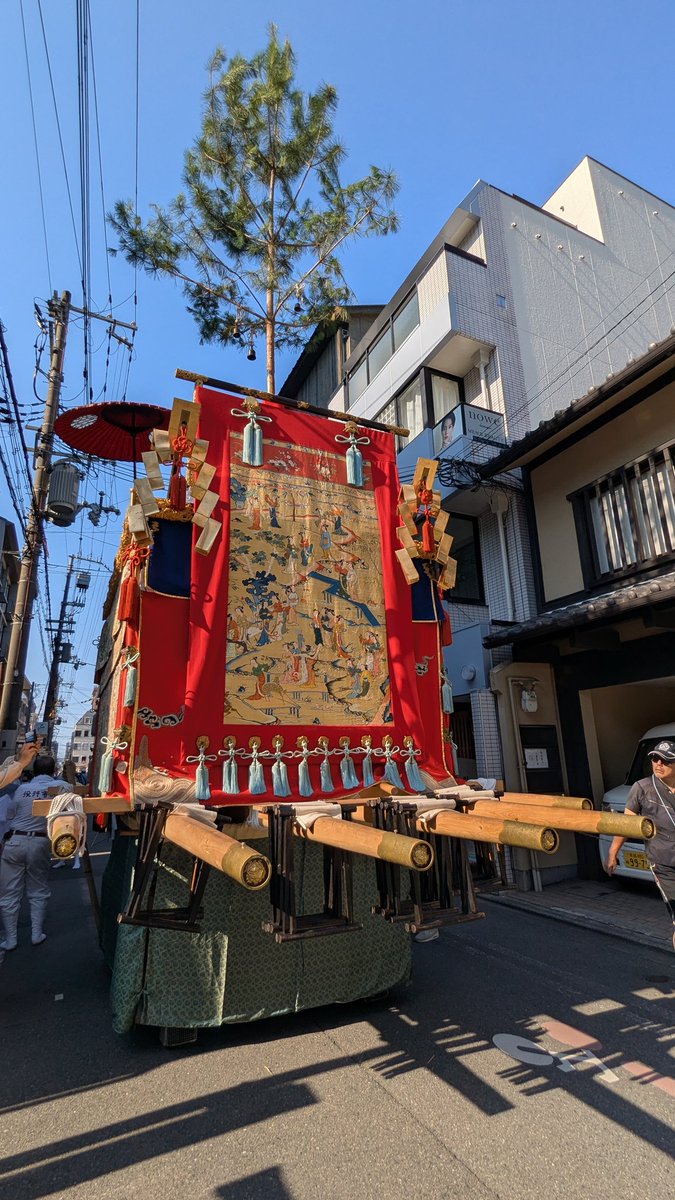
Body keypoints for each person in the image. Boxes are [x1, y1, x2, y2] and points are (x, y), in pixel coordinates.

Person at [606, 739, 675, 948]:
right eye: (655, 759)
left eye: (665, 760)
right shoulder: (642, 788)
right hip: (663, 862)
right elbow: (626, 824)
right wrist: (613, 852)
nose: (658, 764)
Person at [0, 753, 68, 950]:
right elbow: (69, 789)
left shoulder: (22, 789)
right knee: (38, 889)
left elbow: (10, 814)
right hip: (40, 842)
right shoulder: (59, 789)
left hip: (16, 840)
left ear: (34, 771)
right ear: (53, 771)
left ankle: (11, 939)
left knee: (9, 893)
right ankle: (36, 934)